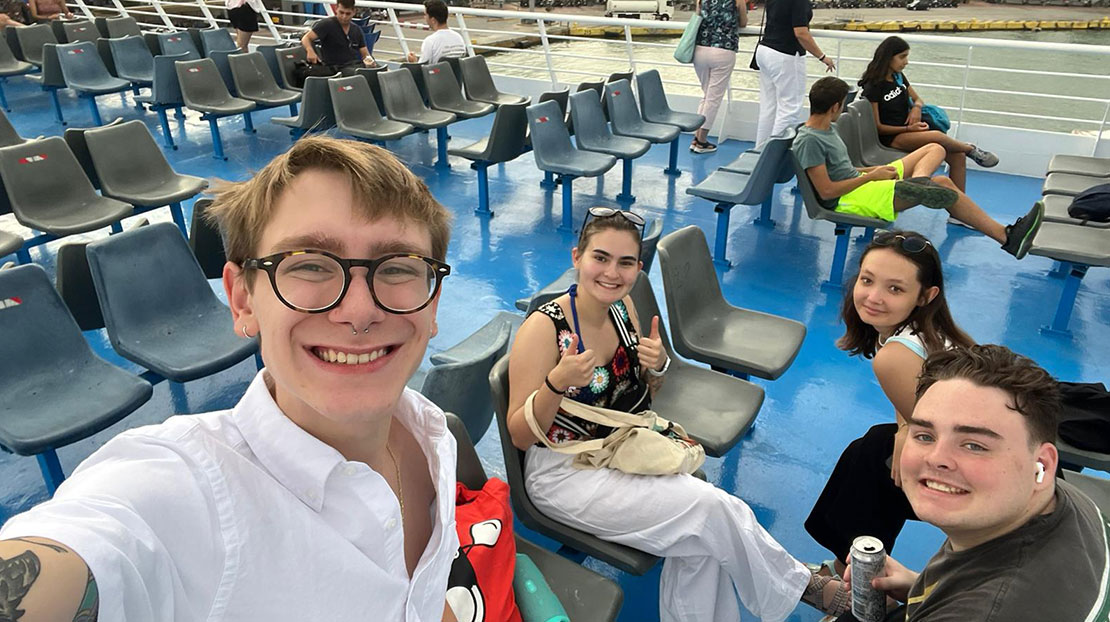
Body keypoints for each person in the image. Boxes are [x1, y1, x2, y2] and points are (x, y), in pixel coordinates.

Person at [0, 137, 460, 620]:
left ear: (433, 304)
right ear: (242, 300)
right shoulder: (177, 494)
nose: (360, 311)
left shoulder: (428, 431)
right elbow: (85, 550)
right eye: (308, 264)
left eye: (399, 267)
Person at [506, 206, 850, 622]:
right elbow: (520, 436)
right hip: (564, 473)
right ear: (577, 256)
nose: (612, 273)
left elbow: (640, 398)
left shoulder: (624, 310)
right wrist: (557, 382)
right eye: (600, 257)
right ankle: (808, 587)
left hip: (622, 451)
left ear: (638, 267)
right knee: (715, 509)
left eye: (626, 262)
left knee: (701, 544)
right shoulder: (544, 329)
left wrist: (656, 369)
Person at [843, 345, 1110, 622]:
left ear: (1042, 463)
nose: (937, 459)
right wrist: (922, 589)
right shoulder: (1067, 501)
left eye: (974, 445)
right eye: (924, 435)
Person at [804, 230, 975, 577]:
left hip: (975, 469)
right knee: (869, 449)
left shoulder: (895, 355)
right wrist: (904, 429)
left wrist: (907, 431)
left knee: (870, 469)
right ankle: (846, 567)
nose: (873, 297)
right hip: (969, 444)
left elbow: (935, 427)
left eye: (895, 289)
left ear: (926, 295)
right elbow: (920, 407)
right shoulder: (928, 332)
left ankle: (858, 580)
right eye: (867, 280)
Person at [793, 76, 1043, 260]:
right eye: (843, 104)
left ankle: (921, 182)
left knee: (936, 153)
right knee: (942, 185)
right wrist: (872, 177)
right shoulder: (810, 140)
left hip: (862, 182)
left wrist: (872, 171)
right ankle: (1007, 237)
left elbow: (843, 169)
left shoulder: (829, 129)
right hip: (849, 199)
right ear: (835, 107)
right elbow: (826, 192)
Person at [859, 36, 998, 193]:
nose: (906, 62)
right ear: (888, 57)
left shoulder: (898, 77)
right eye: (902, 57)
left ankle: (958, 208)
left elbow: (918, 99)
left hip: (910, 130)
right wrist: (908, 130)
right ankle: (970, 149)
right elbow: (878, 127)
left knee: (957, 156)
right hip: (891, 137)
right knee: (937, 136)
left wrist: (916, 109)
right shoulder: (874, 87)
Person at [754, 0, 834, 148]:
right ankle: (772, 157)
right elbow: (801, 33)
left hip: (766, 50)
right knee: (789, 108)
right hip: (785, 54)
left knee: (769, 107)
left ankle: (759, 152)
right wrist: (822, 57)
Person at [689, 0, 747, 154]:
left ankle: (696, 137)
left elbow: (698, 17)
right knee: (713, 98)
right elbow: (743, 23)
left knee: (707, 95)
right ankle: (701, 140)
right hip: (723, 51)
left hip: (700, 49)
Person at [301, 0, 377, 74]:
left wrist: (369, 61)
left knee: (381, 71)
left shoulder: (356, 29)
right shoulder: (326, 24)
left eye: (348, 14)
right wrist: (310, 50)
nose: (344, 17)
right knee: (361, 74)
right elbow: (306, 38)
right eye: (341, 12)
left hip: (354, 65)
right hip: (336, 68)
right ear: (336, 9)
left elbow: (365, 53)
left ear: (354, 12)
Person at [406, 0, 466, 64]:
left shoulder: (430, 41)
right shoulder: (459, 37)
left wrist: (414, 62)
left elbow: (422, 68)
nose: (424, 17)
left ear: (433, 20)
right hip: (457, 73)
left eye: (425, 15)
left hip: (439, 73)